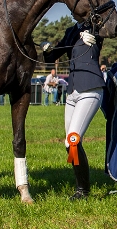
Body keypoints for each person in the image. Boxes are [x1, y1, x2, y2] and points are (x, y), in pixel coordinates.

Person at [42, 21, 106, 200]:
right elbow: (51, 58)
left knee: (73, 139)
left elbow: (110, 30)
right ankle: (80, 186)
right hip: (73, 91)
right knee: (68, 143)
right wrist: (47, 49)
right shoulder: (71, 31)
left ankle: (83, 191)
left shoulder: (96, 26)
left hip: (91, 88)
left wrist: (95, 36)